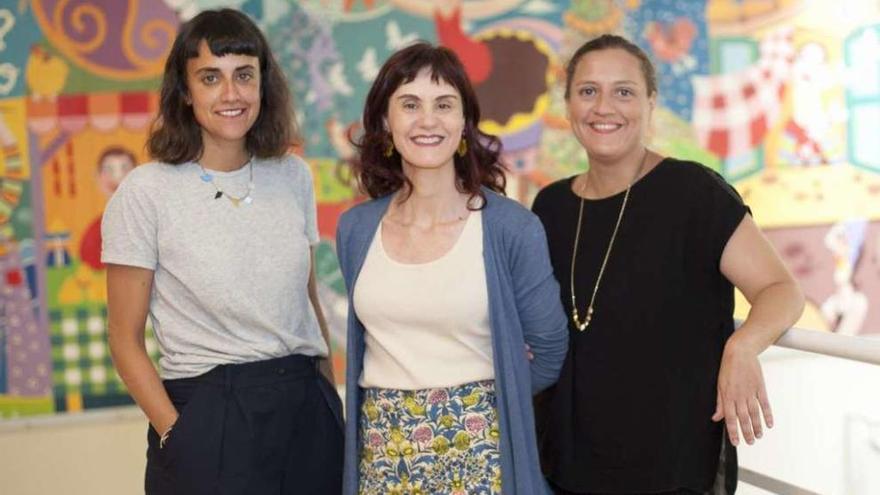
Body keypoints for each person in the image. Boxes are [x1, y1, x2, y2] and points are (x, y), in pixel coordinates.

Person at [532, 34, 805, 494]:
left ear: (650, 103)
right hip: (565, 466)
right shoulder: (550, 205)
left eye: (624, 91)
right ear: (568, 105)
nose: (604, 107)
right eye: (588, 91)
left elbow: (781, 289)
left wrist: (743, 346)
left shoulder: (694, 194)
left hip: (670, 468)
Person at [102, 9, 343, 494]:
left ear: (262, 86)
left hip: (305, 407)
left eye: (244, 76)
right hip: (209, 414)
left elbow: (308, 299)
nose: (231, 94)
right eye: (211, 77)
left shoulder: (293, 175)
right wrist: (176, 432)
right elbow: (124, 338)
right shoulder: (146, 191)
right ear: (185, 91)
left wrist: (329, 398)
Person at [336, 42, 569, 495]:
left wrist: (483, 399)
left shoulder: (511, 228)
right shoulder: (356, 228)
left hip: (481, 452)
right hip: (384, 452)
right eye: (409, 105)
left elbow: (549, 351)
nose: (427, 120)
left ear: (464, 122)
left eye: (444, 105)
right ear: (386, 122)